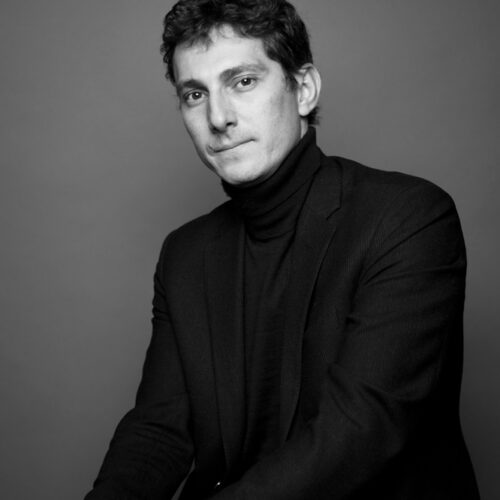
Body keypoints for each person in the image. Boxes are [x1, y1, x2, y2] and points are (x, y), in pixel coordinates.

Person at [85, 0, 480, 498]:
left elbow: (358, 430)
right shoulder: (185, 254)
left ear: (304, 89)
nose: (218, 117)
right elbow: (157, 431)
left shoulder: (407, 217)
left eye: (243, 81)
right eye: (194, 94)